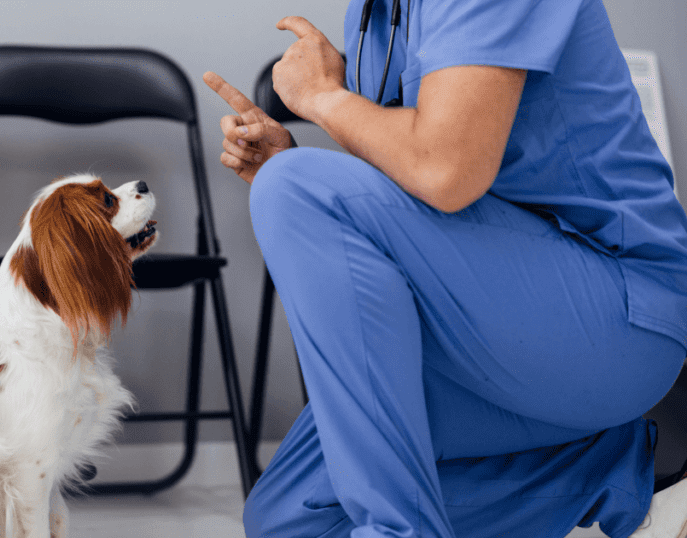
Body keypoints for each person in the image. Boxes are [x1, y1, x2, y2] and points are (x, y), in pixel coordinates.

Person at [204, 0, 687, 536]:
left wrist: (321, 103)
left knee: (297, 188)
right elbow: (407, 185)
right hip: (498, 322)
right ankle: (623, 471)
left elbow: (445, 169)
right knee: (291, 520)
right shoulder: (372, 17)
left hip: (618, 318)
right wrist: (293, 166)